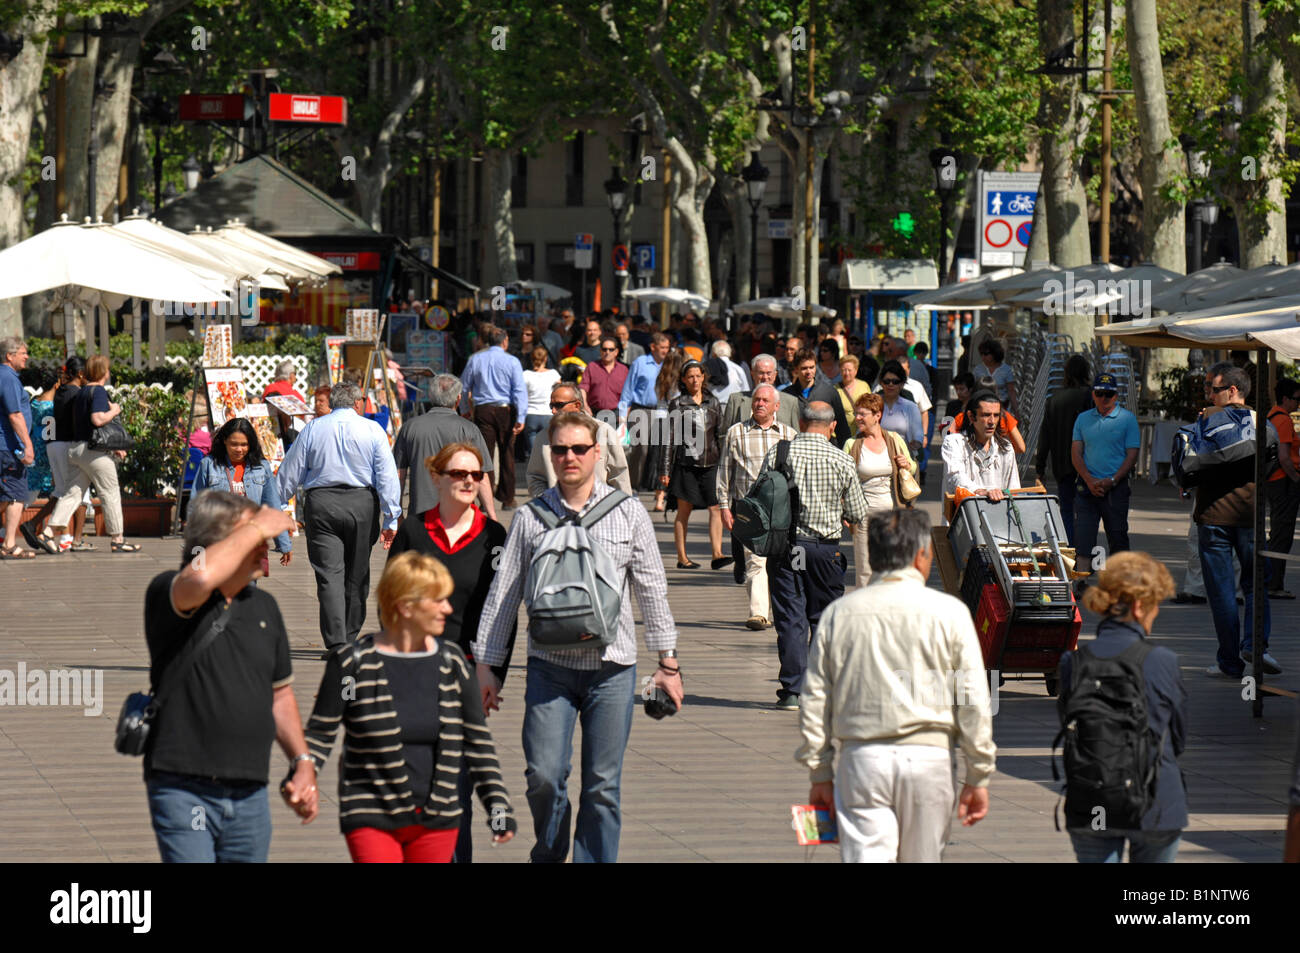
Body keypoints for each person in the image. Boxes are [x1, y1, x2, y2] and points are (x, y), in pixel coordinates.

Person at [473, 412, 684, 863]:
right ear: (551, 454)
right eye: (560, 449)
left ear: (598, 453)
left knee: (602, 786)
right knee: (544, 776)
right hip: (551, 668)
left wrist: (668, 664)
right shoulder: (531, 517)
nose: (569, 457)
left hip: (613, 670)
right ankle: (549, 853)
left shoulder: (629, 514)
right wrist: (486, 666)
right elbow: (504, 595)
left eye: (579, 449)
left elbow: (652, 590)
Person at [798, 508, 994, 862]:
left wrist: (820, 771)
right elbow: (974, 698)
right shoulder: (949, 612)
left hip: (862, 760)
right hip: (929, 759)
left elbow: (814, 699)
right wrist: (978, 773)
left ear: (873, 554)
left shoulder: (839, 614)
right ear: (921, 555)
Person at [304, 550, 517, 863]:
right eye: (438, 600)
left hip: (437, 817)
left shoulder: (453, 663)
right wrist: (303, 775)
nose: (448, 608)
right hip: (370, 813)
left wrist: (498, 805)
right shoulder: (353, 663)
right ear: (404, 606)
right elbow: (321, 732)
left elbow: (477, 742)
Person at [142, 492, 314, 862]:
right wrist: (256, 525)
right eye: (254, 538)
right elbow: (200, 577)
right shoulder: (171, 591)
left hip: (250, 793)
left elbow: (280, 696)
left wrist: (302, 762)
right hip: (183, 787)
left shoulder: (264, 607)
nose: (264, 544)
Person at [1061, 552, 1187, 863]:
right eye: (1156, 604)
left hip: (1091, 798)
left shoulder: (1072, 662)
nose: (1156, 612)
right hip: (1154, 801)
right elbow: (1178, 736)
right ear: (1140, 605)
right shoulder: (1162, 660)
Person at [278, 381, 402, 653]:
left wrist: (276, 506)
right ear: (359, 403)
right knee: (357, 574)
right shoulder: (373, 430)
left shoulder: (313, 429)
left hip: (322, 505)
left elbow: (290, 471)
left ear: (332, 402)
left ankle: (336, 642)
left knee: (329, 575)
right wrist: (391, 518)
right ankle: (349, 635)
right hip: (362, 505)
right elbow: (387, 477)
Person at [761, 401, 869, 710]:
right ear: (833, 426)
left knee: (791, 618)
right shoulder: (842, 459)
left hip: (788, 548)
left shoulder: (779, 453)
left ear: (801, 421)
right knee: (823, 618)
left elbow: (761, 493)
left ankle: (793, 690)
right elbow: (858, 512)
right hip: (824, 550)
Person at [1197, 363, 1279, 678]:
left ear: (1233, 390)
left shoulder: (1206, 419)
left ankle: (1230, 661)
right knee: (1256, 583)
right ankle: (1256, 646)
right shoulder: (1263, 425)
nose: (1207, 394)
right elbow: (1270, 467)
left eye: (1212, 388)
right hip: (1250, 516)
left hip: (1213, 515)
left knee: (1221, 592)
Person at [43, 354, 140, 554]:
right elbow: (97, 419)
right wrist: (114, 410)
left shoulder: (80, 392)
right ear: (103, 372)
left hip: (76, 449)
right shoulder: (98, 392)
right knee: (110, 492)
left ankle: (48, 532)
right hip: (93, 451)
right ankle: (117, 539)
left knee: (73, 493)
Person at [717, 383, 796, 629]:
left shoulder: (788, 435)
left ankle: (778, 609)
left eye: (764, 400)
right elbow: (724, 472)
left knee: (779, 561)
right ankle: (759, 613)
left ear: (776, 406)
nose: (759, 404)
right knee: (755, 560)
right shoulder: (735, 432)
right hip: (748, 509)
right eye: (756, 400)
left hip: (780, 510)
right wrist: (723, 507)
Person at [393, 374, 495, 519]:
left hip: (419, 518)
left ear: (430, 395)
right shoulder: (469, 429)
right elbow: (482, 477)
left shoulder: (410, 427)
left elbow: (399, 475)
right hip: (460, 519)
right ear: (458, 399)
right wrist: (492, 516)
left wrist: (396, 516)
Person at [191, 417, 293, 564]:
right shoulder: (208, 465)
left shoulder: (261, 467)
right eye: (234, 444)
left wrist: (284, 543)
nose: (239, 449)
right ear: (224, 441)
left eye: (244, 444)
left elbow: (273, 506)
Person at [1071, 372, 1141, 584]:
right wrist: (1090, 480)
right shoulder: (1083, 419)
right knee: (1083, 536)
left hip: (1116, 487)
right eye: (1100, 394)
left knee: (1118, 535)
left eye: (1108, 394)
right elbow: (1075, 453)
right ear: (1093, 394)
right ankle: (1081, 581)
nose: (1104, 398)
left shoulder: (1127, 419)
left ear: (1116, 395)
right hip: (1087, 486)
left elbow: (1132, 454)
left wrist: (1113, 479)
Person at [843, 393, 917, 588]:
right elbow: (842, 480)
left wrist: (906, 464)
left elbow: (912, 467)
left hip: (892, 513)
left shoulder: (894, 439)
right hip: (862, 515)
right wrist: (844, 510)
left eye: (862, 414)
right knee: (866, 569)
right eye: (856, 414)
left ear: (877, 415)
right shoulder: (852, 444)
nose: (857, 418)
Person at [660, 360, 727, 569]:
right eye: (690, 376)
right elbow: (669, 439)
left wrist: (725, 464)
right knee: (684, 511)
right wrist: (665, 470)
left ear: (703, 377)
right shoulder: (677, 404)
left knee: (715, 507)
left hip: (711, 463)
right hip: (686, 464)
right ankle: (682, 557)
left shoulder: (713, 402)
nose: (695, 380)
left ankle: (717, 553)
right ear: (683, 379)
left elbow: (720, 435)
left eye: (698, 375)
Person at [459, 324, 528, 510]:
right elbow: (519, 391)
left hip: (483, 410)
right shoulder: (512, 361)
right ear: (505, 342)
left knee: (484, 454)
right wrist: (521, 416)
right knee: (507, 454)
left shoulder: (475, 359)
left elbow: (464, 386)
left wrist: (464, 408)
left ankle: (484, 499)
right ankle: (508, 498)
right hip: (505, 410)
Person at [527, 382, 631, 497]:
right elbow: (535, 478)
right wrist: (548, 503)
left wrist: (620, 508)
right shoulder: (543, 437)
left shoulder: (604, 432)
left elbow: (619, 476)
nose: (553, 411)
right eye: (552, 406)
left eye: (559, 405)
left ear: (577, 405)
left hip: (599, 510)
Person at [1035, 355, 1093, 545]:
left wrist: (1040, 467)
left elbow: (1045, 435)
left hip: (1062, 462)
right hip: (1088, 462)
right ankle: (1085, 552)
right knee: (1086, 511)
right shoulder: (1091, 395)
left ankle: (1070, 551)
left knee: (1066, 509)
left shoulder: (1054, 399)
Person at [36, 356, 92, 553]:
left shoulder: (60, 391)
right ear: (81, 374)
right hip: (69, 444)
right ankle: (67, 537)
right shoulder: (77, 393)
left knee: (63, 491)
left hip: (55, 444)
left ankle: (60, 534)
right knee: (75, 492)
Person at [941, 390, 1020, 502]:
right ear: (971, 417)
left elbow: (1014, 488)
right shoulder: (954, 443)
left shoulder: (1006, 448)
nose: (992, 421)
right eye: (986, 415)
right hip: (963, 516)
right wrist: (982, 491)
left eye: (996, 415)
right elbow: (955, 477)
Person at [618, 331, 671, 492]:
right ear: (653, 347)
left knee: (662, 450)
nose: (665, 351)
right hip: (641, 410)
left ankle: (656, 486)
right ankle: (634, 484)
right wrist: (622, 414)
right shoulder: (640, 363)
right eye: (662, 347)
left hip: (664, 410)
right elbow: (628, 389)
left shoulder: (669, 364)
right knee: (641, 448)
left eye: (667, 347)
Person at [0, 336, 36, 559]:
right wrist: (28, 444)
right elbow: (15, 414)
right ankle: (10, 544)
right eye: (23, 352)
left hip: (4, 446)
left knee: (5, 495)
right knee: (14, 495)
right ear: (9, 356)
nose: (26, 356)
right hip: (9, 446)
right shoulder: (9, 378)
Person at [1265, 378, 1300, 599]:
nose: (1299, 404)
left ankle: (1271, 580)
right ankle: (1274, 583)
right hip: (1284, 481)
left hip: (1274, 481)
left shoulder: (1271, 416)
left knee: (1278, 531)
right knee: (1282, 534)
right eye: (1297, 399)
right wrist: (1296, 478)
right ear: (1285, 399)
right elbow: (1285, 457)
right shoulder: (1284, 421)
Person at [15, 364, 57, 548]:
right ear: (56, 384)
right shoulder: (51, 408)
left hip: (32, 454)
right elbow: (51, 436)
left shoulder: (33, 403)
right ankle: (61, 537)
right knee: (58, 494)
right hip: (46, 458)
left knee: (26, 497)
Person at [641, 347, 685, 512]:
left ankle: (659, 497)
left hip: (659, 419)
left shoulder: (661, 379)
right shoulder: (680, 382)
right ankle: (673, 494)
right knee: (673, 458)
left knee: (659, 459)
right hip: (676, 420)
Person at [782, 348, 851, 446]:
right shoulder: (786, 394)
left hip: (825, 447)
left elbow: (842, 427)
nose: (808, 372)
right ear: (796, 369)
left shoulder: (829, 392)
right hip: (796, 448)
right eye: (804, 368)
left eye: (812, 367)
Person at [721, 354, 801, 435]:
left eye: (769, 373)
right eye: (761, 373)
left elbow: (796, 435)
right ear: (752, 374)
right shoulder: (736, 400)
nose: (765, 377)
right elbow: (724, 434)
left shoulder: (790, 402)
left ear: (775, 375)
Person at [875, 360, 924, 461]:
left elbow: (918, 436)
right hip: (875, 459)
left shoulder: (910, 407)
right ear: (881, 383)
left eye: (895, 381)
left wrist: (914, 445)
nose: (891, 385)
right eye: (887, 381)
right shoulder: (872, 405)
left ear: (902, 384)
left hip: (903, 460)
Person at [522, 346, 562, 454]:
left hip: (530, 413)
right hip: (548, 413)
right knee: (549, 452)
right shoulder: (553, 374)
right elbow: (560, 391)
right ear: (546, 358)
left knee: (534, 453)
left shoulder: (525, 375)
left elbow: (522, 395)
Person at [580, 335, 629, 416]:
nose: (607, 352)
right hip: (594, 413)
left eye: (611, 349)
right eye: (604, 349)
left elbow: (628, 394)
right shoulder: (592, 367)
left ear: (616, 352)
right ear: (600, 351)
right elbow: (583, 388)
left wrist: (625, 413)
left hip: (616, 414)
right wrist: (585, 406)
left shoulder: (623, 370)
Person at [261, 359, 306, 447]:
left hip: (268, 430)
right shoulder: (295, 395)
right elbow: (303, 415)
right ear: (291, 375)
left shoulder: (269, 388)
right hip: (290, 434)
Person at [979, 338, 1017, 414]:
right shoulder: (978, 370)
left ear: (994, 354)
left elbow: (1011, 391)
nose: (983, 357)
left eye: (986, 354)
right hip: (982, 408)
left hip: (1002, 408)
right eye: (981, 354)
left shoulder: (1007, 370)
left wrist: (1016, 410)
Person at [834, 354, 871, 426]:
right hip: (842, 431)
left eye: (849, 370)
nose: (846, 373)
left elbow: (870, 407)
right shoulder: (835, 389)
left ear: (856, 370)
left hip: (861, 430)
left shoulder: (864, 386)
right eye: (844, 370)